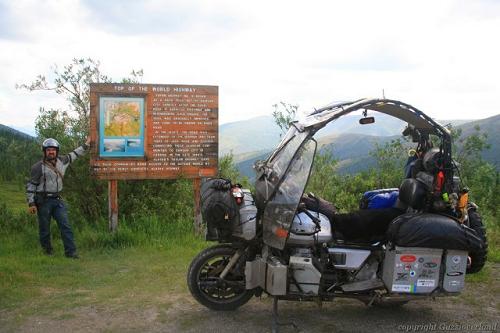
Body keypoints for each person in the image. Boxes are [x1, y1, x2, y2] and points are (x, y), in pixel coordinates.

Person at [26, 137, 91, 258]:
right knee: (44, 228)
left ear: (57, 151)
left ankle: (71, 253)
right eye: (48, 150)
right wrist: (31, 203)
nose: (51, 152)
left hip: (57, 200)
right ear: (44, 151)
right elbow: (31, 186)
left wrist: (86, 144)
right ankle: (47, 252)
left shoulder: (63, 161)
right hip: (43, 201)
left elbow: (75, 154)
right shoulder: (37, 167)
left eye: (53, 150)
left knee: (65, 225)